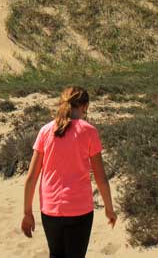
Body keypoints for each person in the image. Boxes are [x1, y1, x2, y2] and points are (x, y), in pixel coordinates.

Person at [21, 86, 116, 258]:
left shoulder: (45, 131)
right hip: (79, 210)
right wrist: (109, 209)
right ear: (85, 106)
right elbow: (101, 178)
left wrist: (27, 213)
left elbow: (31, 178)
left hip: (51, 210)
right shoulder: (89, 131)